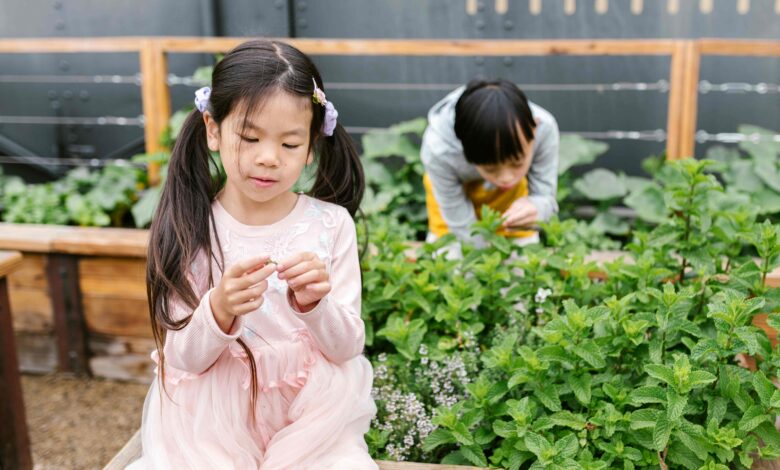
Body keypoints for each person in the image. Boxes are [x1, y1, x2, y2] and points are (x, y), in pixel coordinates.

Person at [127, 40, 376, 470]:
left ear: (313, 144)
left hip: (310, 416)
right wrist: (218, 310)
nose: (268, 158)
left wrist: (316, 306)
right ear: (213, 128)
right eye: (250, 137)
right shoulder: (193, 225)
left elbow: (347, 347)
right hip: (210, 420)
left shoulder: (331, 224)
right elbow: (182, 357)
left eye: (290, 144)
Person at [421, 79, 560, 247]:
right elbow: (460, 224)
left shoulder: (544, 128)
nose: (507, 178)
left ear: (533, 131)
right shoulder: (439, 150)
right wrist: (482, 259)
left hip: (511, 199)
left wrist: (537, 208)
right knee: (453, 258)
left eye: (517, 163)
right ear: (464, 148)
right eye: (491, 169)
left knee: (520, 260)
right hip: (453, 201)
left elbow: (545, 197)